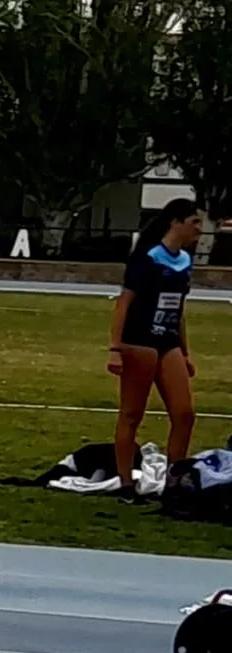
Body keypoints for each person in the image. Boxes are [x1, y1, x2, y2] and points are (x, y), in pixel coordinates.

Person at [108, 198, 202, 504]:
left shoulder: (185, 261)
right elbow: (124, 302)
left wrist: (185, 352)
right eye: (194, 222)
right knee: (132, 413)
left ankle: (174, 479)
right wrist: (115, 348)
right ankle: (125, 483)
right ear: (175, 223)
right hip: (140, 341)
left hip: (168, 341)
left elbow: (179, 309)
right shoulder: (148, 258)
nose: (199, 229)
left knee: (185, 413)